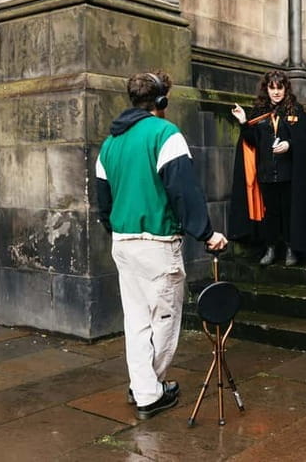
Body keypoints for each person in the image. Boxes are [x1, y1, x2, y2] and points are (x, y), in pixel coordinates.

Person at [95, 70, 228, 420]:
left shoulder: (110, 144)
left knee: (137, 320)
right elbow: (183, 190)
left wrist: (117, 227)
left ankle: (142, 385)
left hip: (123, 241)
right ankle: (148, 392)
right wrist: (207, 233)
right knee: (164, 319)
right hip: (156, 242)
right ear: (161, 100)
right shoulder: (165, 134)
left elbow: (103, 200)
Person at [229, 70, 306, 266]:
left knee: (288, 212)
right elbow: (252, 141)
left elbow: (304, 141)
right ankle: (270, 248)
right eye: (272, 88)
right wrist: (243, 122)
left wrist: (289, 145)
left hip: (289, 173)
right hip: (266, 173)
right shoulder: (259, 112)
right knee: (270, 213)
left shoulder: (295, 110)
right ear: (267, 89)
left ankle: (290, 248)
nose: (276, 92)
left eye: (280, 88)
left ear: (286, 89)